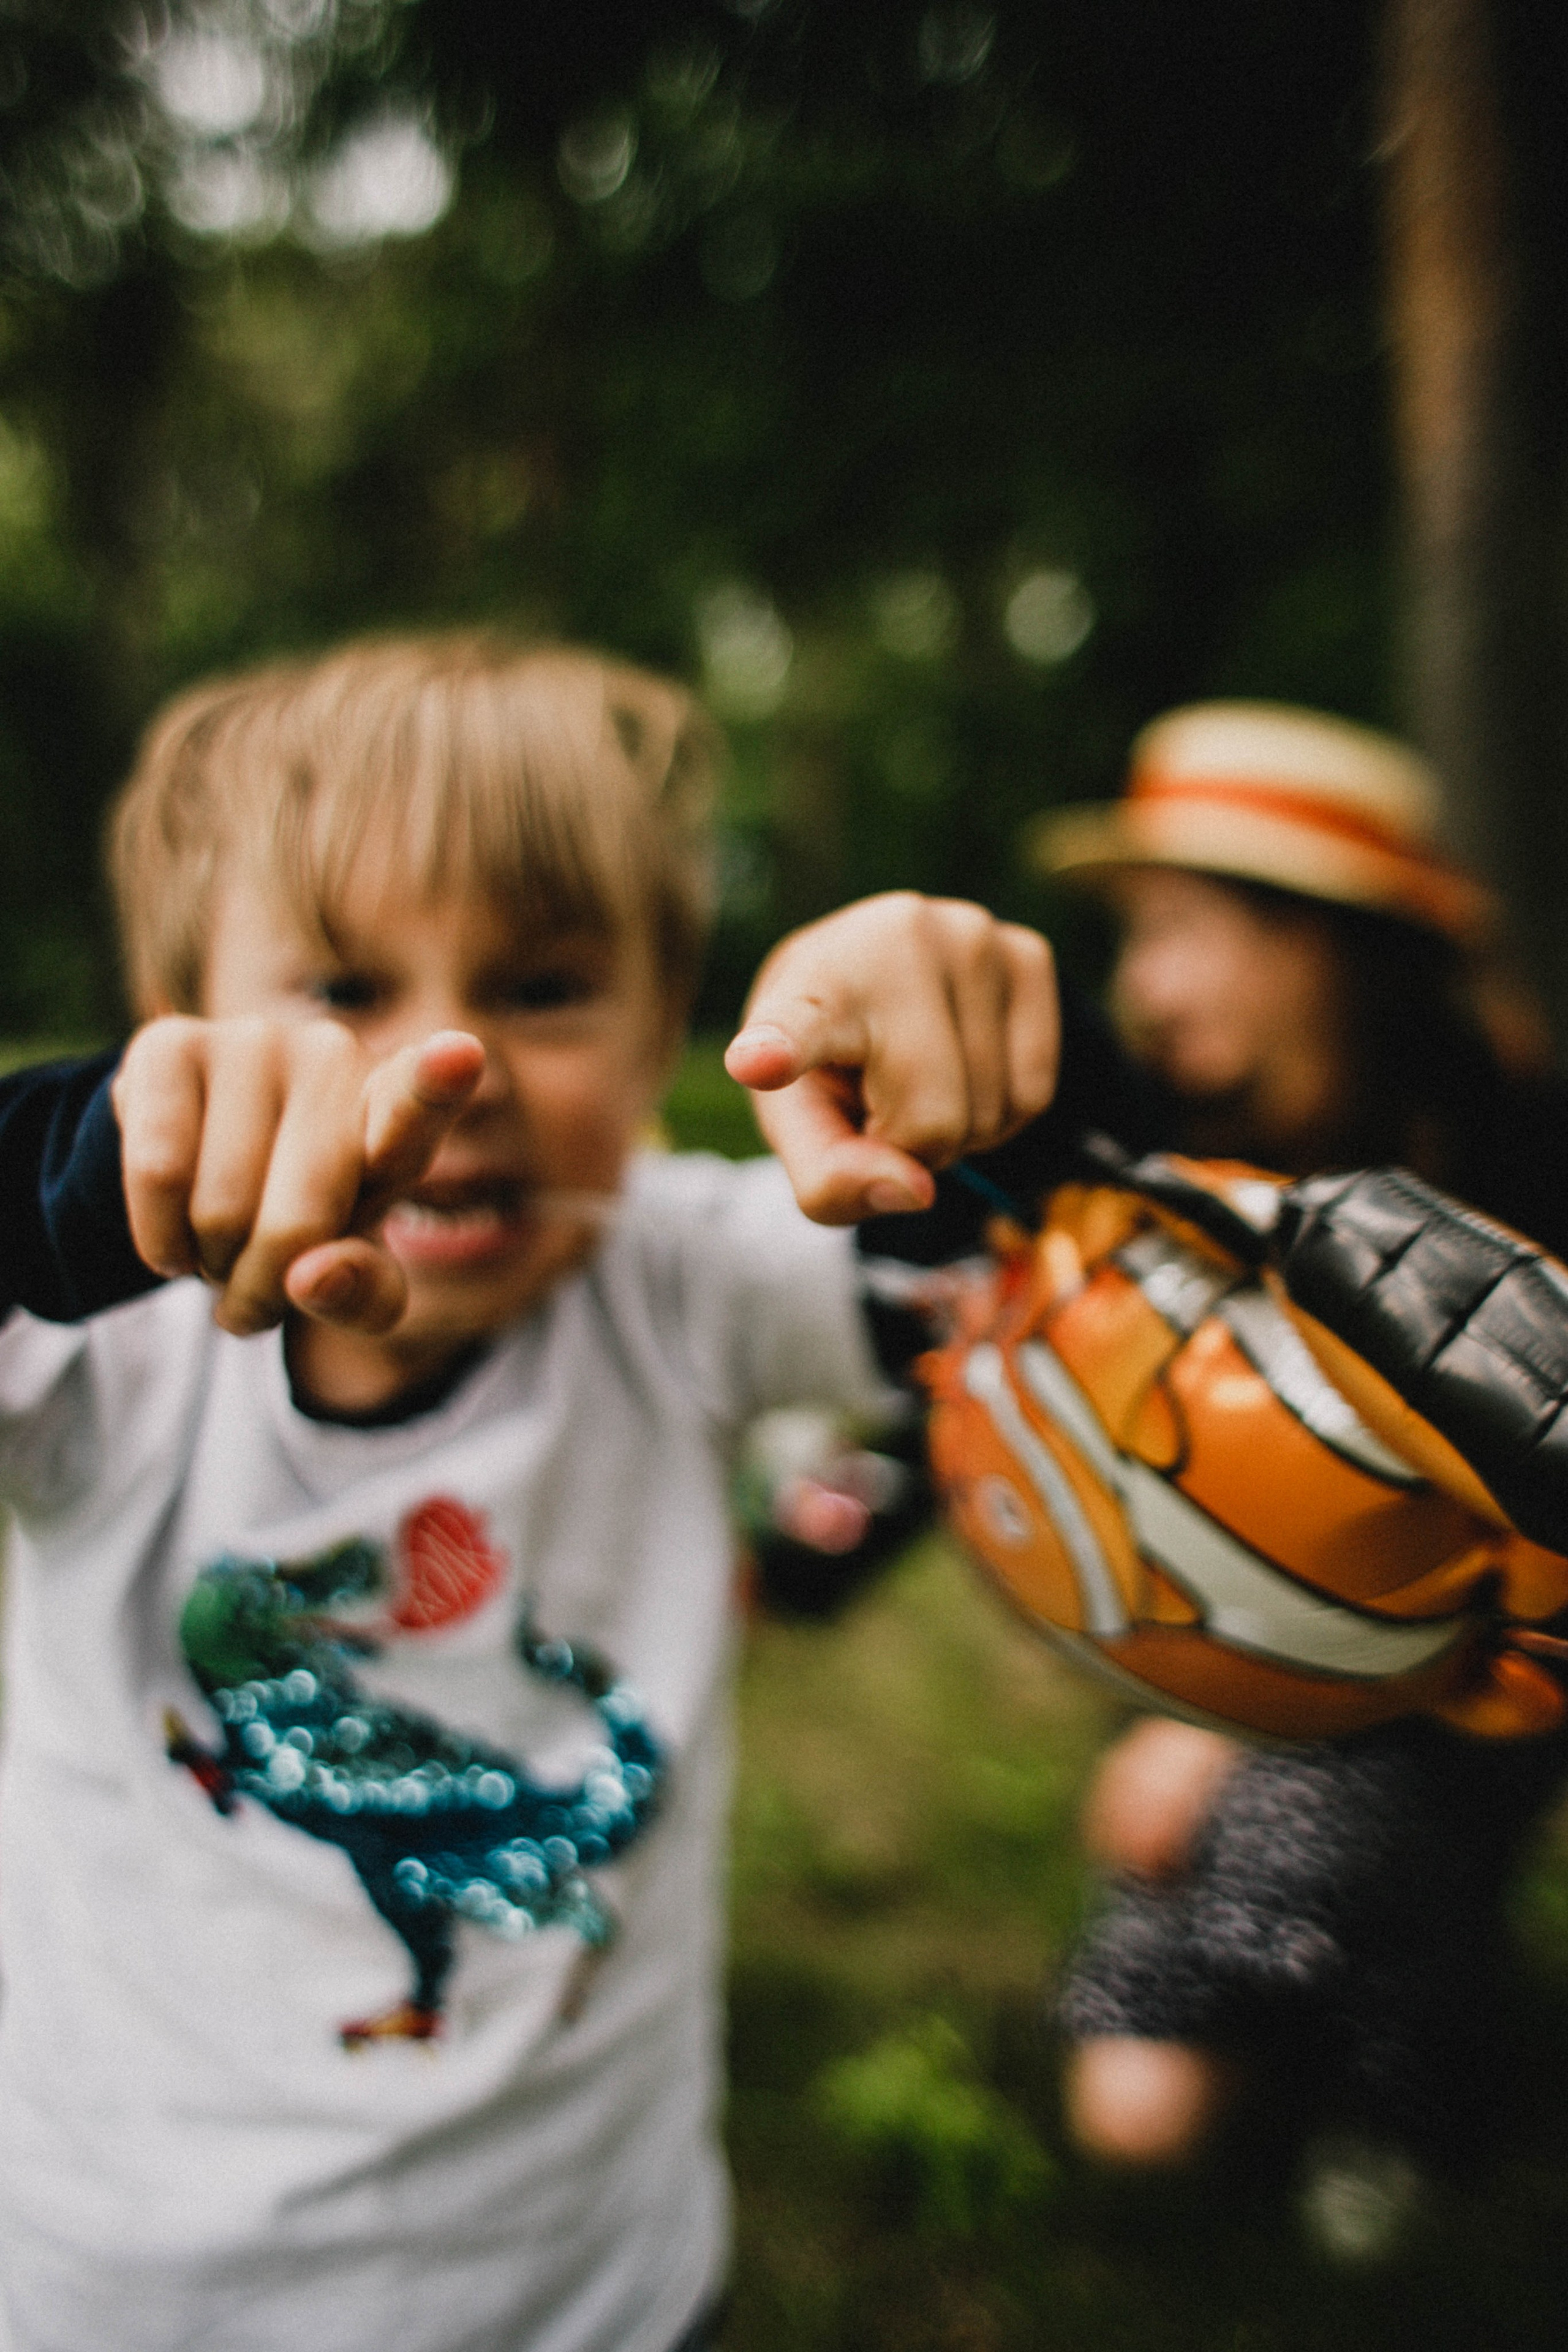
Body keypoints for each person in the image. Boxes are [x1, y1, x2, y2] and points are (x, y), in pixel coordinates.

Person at [0, 631, 1063, 2352]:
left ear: (666, 1037)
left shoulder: (680, 1276)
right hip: (117, 2289)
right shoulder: (100, 1347)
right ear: (183, 1033)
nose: (453, 1063)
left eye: (546, 986)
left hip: (593, 2295)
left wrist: (968, 1078)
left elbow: (1030, 1272)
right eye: (343, 990)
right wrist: (72, 1165)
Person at [1030, 700, 1568, 2184]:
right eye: (1133, 936)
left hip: (1456, 1688)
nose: (1140, 985)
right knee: (1137, 2116)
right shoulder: (1160, 1149)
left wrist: (1212, 1736)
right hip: (1227, 1663)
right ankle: (1346, 1990)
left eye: (1183, 930)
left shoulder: (1516, 1168)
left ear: (1317, 945)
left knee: (1294, 2046)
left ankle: (1412, 2064)